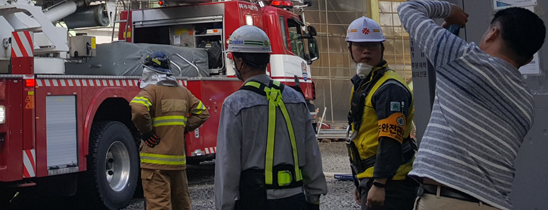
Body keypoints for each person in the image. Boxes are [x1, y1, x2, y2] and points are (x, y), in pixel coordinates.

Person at [399, 0, 546, 210]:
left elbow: (408, 9)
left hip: (447, 202)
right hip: (494, 204)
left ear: (492, 34)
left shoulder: (462, 57)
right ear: (528, 58)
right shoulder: (526, 103)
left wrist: (451, 12)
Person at [215, 26, 326, 210]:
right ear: (267, 59)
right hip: (295, 200)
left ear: (240, 62)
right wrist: (314, 198)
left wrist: (225, 206)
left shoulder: (235, 104)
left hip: (255, 201)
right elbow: (311, 154)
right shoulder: (296, 99)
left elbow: (227, 166)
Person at [344, 18, 416, 210]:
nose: (366, 51)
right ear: (350, 49)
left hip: (392, 183)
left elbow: (390, 139)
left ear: (382, 49)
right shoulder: (366, 83)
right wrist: (360, 181)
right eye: (360, 46)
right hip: (374, 177)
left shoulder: (389, 88)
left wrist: (378, 184)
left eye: (372, 46)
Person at [129, 51, 210, 210]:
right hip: (178, 163)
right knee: (181, 205)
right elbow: (202, 113)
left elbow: (138, 109)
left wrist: (146, 132)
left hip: (155, 164)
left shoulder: (151, 91)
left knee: (159, 205)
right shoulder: (183, 91)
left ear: (149, 71)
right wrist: (182, 128)